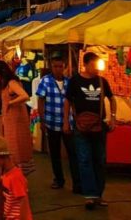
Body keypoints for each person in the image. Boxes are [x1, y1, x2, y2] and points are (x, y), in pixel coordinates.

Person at [64, 52, 116, 211]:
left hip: (99, 127)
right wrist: (66, 121)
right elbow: (67, 101)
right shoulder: (75, 81)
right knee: (85, 160)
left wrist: (113, 117)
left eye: (98, 64)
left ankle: (99, 195)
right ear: (85, 64)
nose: (97, 67)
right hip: (81, 127)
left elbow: (111, 98)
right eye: (94, 64)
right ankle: (89, 196)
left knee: (100, 160)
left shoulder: (102, 81)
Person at [36, 57, 80, 193]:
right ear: (51, 67)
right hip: (51, 122)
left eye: (60, 66)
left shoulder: (69, 82)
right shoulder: (46, 81)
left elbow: (73, 102)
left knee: (73, 153)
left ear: (64, 66)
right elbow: (41, 101)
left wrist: (76, 118)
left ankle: (77, 183)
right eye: (55, 66)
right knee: (55, 154)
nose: (58, 69)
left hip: (68, 124)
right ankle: (59, 179)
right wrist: (42, 120)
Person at [0, 61, 34, 176]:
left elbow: (24, 96)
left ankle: (18, 176)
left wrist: (10, 103)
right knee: (14, 147)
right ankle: (17, 176)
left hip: (16, 121)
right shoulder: (5, 85)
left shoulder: (11, 83)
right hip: (12, 120)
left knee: (16, 148)